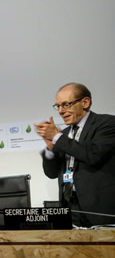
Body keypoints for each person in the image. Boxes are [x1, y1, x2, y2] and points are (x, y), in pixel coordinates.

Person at [35, 83, 115, 226]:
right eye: (57, 106)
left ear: (85, 102)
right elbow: (52, 173)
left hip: (100, 209)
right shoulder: (63, 135)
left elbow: (92, 155)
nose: (60, 111)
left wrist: (57, 137)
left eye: (66, 105)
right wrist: (50, 148)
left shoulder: (107, 124)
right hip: (70, 208)